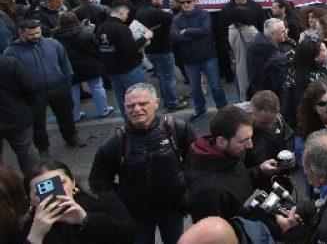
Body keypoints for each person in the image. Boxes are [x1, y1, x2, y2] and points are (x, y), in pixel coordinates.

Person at [89, 83, 196, 244]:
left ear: (156, 103)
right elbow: (98, 182)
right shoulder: (114, 143)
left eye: (143, 104)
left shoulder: (175, 128)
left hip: (172, 209)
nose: (137, 109)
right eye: (131, 105)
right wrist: (121, 203)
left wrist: (184, 190)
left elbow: (195, 161)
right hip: (136, 215)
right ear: (124, 108)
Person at [5, 18, 84, 158]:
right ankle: (43, 149)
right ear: (21, 33)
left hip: (59, 88)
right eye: (31, 34)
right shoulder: (12, 51)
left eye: (38, 33)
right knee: (38, 123)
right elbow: (11, 75)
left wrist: (67, 79)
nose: (36, 36)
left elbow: (64, 61)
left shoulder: (52, 43)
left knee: (66, 115)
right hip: (34, 94)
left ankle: (71, 137)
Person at [184, 106, 279, 222]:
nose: (250, 145)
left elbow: (235, 179)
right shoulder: (208, 192)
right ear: (221, 141)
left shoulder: (228, 156)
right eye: (243, 140)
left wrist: (259, 170)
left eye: (250, 138)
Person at [23, 159, 138, 244]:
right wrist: (34, 238)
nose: (53, 195)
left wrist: (87, 219)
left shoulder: (104, 201)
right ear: (29, 200)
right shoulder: (25, 230)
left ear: (73, 182)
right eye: (40, 193)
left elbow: (130, 235)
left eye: (61, 183)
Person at [171, 0, 228, 123]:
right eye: (183, 2)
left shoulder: (204, 14)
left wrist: (185, 31)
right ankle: (200, 109)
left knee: (215, 85)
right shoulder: (177, 18)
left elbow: (205, 31)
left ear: (195, 2)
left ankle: (222, 108)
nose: (185, 4)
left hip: (207, 56)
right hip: (189, 59)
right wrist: (195, 34)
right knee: (195, 88)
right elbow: (174, 37)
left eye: (188, 1)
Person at [96, 2, 153, 119]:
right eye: (126, 13)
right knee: (140, 99)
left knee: (125, 101)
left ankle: (130, 125)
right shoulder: (121, 28)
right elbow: (130, 49)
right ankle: (144, 124)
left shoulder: (101, 28)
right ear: (121, 12)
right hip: (129, 69)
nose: (127, 16)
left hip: (112, 70)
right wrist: (145, 37)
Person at [53, 12, 113, 122]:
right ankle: (104, 109)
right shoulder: (85, 33)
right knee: (97, 86)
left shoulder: (56, 37)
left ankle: (75, 115)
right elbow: (96, 47)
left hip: (69, 67)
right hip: (90, 64)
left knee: (73, 91)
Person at [134, 0, 186, 112]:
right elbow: (175, 19)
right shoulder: (157, 13)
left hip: (150, 50)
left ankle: (169, 99)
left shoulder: (140, 12)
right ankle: (172, 102)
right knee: (168, 77)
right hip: (162, 49)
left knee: (162, 76)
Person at [244, 90, 294, 189]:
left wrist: (290, 153)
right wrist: (259, 170)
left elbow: (289, 136)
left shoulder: (278, 120)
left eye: (273, 121)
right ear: (250, 114)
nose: (270, 126)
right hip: (257, 188)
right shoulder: (240, 136)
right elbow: (235, 173)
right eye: (264, 122)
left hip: (282, 183)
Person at [0, 53, 38, 173]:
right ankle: (42, 187)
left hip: (15, 115)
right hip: (16, 116)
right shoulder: (9, 63)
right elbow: (30, 88)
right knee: (27, 152)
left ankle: (4, 188)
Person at [246, 18, 290, 99]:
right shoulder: (277, 59)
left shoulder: (253, 46)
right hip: (271, 99)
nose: (286, 33)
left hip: (256, 94)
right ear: (273, 35)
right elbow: (281, 87)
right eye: (283, 32)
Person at [227, 7, 259, 102]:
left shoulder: (231, 29)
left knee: (243, 87)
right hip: (253, 62)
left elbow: (232, 45)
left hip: (240, 61)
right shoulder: (251, 30)